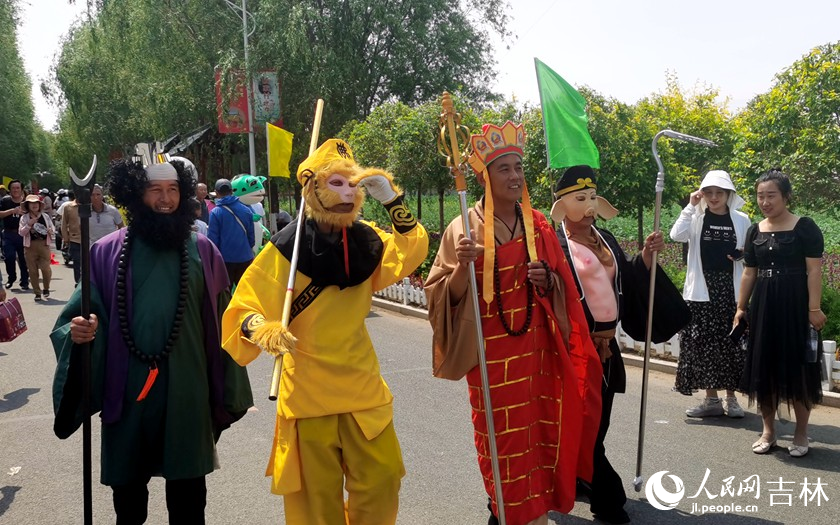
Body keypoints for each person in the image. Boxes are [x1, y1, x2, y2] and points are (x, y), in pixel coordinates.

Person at [222, 138, 428, 524]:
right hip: (308, 394)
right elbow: (242, 308)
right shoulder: (285, 249)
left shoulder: (367, 239)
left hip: (362, 389)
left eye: (354, 184)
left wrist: (392, 199)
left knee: (382, 483)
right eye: (336, 183)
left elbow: (411, 248)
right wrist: (263, 328)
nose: (348, 192)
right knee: (317, 502)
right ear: (312, 189)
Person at [51, 156, 254, 524]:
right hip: (127, 390)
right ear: (136, 195)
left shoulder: (204, 251)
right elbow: (76, 315)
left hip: (187, 391)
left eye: (173, 190)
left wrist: (234, 373)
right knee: (128, 503)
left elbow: (227, 321)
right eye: (155, 190)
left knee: (190, 501)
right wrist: (78, 330)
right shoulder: (106, 252)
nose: (165, 199)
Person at [425, 123, 602, 525]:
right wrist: (461, 269)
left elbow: (562, 285)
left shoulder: (537, 223)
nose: (514, 176)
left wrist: (548, 280)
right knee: (500, 439)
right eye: (503, 168)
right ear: (485, 176)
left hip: (536, 351)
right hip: (488, 356)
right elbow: (439, 295)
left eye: (518, 167)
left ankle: (535, 511)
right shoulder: (463, 229)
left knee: (539, 434)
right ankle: (506, 512)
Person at [550, 165, 690, 524]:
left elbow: (625, 277)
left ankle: (580, 477)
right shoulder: (553, 244)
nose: (589, 206)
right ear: (562, 205)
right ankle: (607, 497)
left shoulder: (606, 237)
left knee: (598, 424)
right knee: (584, 425)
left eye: (593, 197)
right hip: (573, 351)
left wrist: (645, 256)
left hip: (607, 350)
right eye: (580, 199)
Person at [734, 169, 826, 457]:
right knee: (765, 366)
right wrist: (740, 308)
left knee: (798, 367)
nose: (765, 201)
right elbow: (749, 272)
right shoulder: (754, 230)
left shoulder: (805, 228)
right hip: (764, 305)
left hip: (795, 304)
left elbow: (814, 270)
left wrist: (813, 308)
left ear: (786, 196)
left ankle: (800, 434)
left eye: (771, 195)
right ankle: (768, 431)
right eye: (760, 196)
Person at [669, 170, 751, 418]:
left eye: (720, 193)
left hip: (731, 289)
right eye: (709, 193)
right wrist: (691, 207)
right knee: (704, 345)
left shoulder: (742, 219)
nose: (714, 197)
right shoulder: (697, 217)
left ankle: (731, 398)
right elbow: (676, 235)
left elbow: (751, 252)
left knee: (732, 343)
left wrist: (742, 254)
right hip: (702, 292)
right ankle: (711, 400)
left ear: (729, 194)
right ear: (702, 194)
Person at [207, 178, 255, 285]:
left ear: (217, 193)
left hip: (225, 260)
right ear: (232, 191)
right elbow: (251, 237)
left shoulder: (215, 212)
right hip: (245, 257)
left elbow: (213, 239)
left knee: (225, 294)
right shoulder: (246, 210)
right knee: (244, 292)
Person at [18, 194, 55, 301]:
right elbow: (21, 232)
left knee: (46, 268)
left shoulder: (45, 216)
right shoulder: (24, 218)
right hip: (30, 246)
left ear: (39, 205)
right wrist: (29, 224)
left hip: (44, 244)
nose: (34, 205)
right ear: (28, 205)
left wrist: (50, 231)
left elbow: (52, 229)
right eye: (31, 203)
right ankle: (37, 293)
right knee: (33, 271)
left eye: (36, 203)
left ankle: (46, 288)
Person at [0, 180, 30, 290]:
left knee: (23, 258)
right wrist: (13, 211)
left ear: (21, 189)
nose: (16, 190)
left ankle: (25, 281)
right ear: (10, 190)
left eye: (18, 188)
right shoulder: (5, 201)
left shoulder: (27, 202)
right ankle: (11, 278)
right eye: (13, 188)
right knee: (9, 257)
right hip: (9, 233)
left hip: (23, 234)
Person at [60, 192, 82, 283]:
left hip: (90, 240)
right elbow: (64, 224)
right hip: (74, 239)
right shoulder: (68, 207)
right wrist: (66, 239)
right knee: (77, 262)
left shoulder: (90, 206)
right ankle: (78, 283)